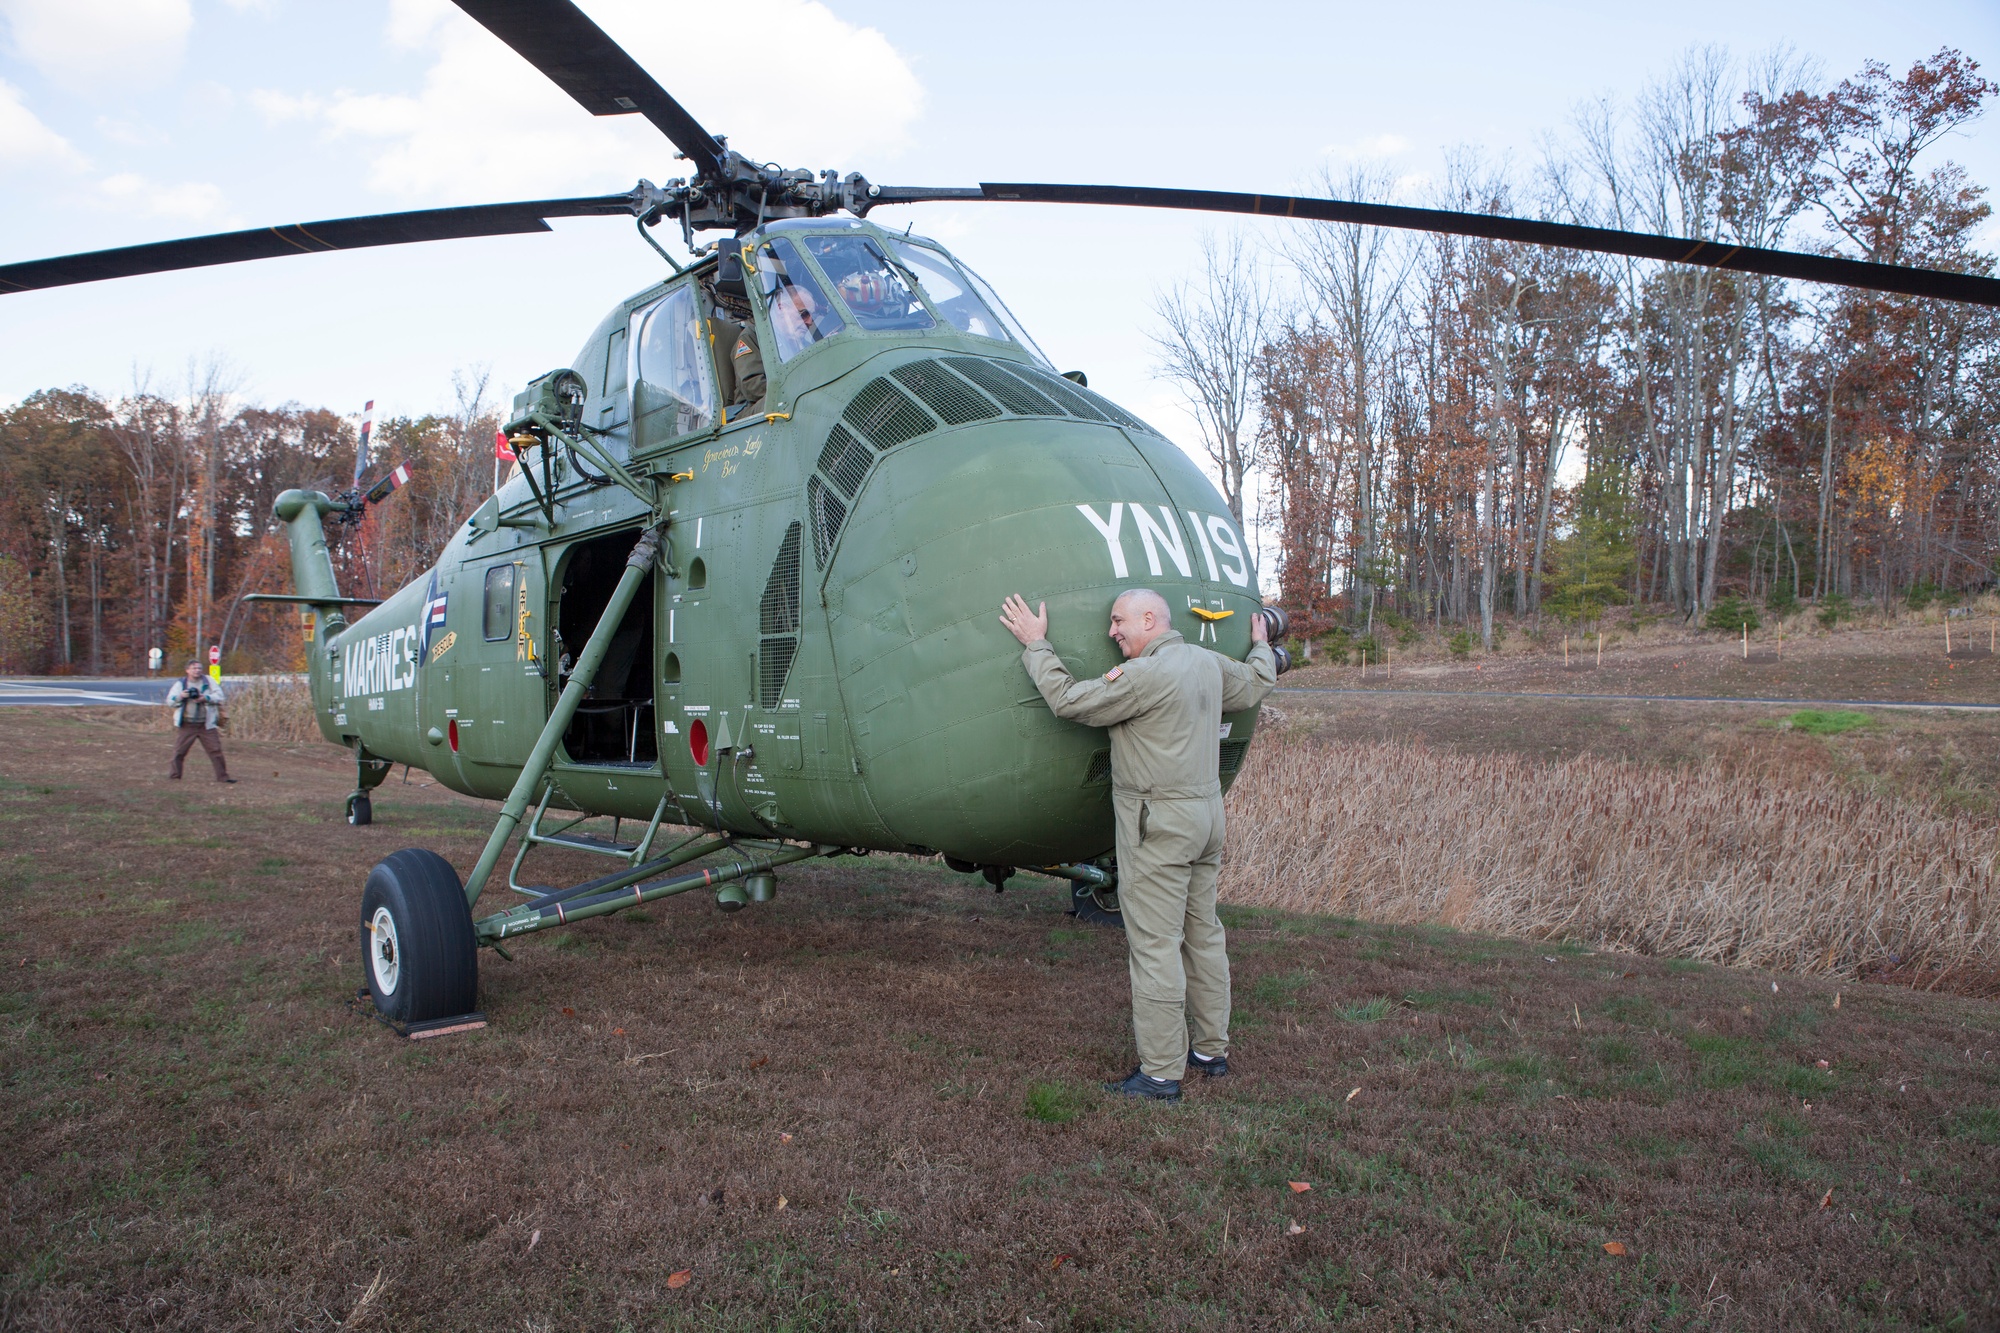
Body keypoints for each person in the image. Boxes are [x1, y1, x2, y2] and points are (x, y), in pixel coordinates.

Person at [999, 588, 1276, 1102]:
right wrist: (1260, 644)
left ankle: (1161, 1073)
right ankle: (1211, 1052)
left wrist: (1037, 644)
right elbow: (1257, 681)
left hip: (1161, 824)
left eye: (1118, 620)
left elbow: (1069, 701)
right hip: (1208, 817)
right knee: (1204, 934)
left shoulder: (1143, 677)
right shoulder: (1206, 663)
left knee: (1154, 946)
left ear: (1149, 619)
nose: (1112, 632)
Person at [167, 660, 235, 783]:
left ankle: (223, 777)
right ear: (187, 670)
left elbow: (220, 696)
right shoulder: (181, 684)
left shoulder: (208, 681)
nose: (197, 670)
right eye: (194, 668)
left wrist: (206, 698)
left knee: (216, 751)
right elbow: (170, 701)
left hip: (206, 724)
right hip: (187, 723)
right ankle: (175, 776)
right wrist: (181, 696)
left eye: (199, 668)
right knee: (179, 751)